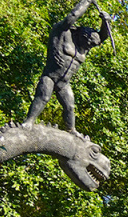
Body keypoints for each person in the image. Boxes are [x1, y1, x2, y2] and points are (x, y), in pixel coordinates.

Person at [24, 0, 112, 133]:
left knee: (70, 106)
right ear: (82, 36)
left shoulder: (84, 46)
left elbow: (102, 37)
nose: (89, 47)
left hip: (64, 83)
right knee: (43, 97)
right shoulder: (63, 33)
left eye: (91, 46)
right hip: (51, 76)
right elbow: (72, 16)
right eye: (88, 43)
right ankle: (28, 122)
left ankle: (71, 130)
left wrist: (107, 22)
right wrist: (87, 2)